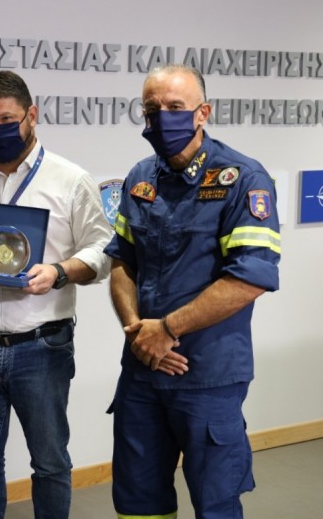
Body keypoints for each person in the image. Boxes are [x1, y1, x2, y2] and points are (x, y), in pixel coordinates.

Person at [0, 70, 113, 519]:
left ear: (32, 115)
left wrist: (60, 272)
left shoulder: (71, 179)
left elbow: (103, 251)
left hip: (42, 346)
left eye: (7, 120)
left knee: (49, 463)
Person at [105, 64, 281, 519]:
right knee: (138, 503)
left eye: (175, 107)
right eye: (152, 108)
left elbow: (250, 278)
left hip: (207, 375)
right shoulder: (140, 177)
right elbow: (122, 261)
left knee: (215, 503)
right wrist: (138, 331)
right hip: (143, 370)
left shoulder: (243, 178)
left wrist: (166, 330)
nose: (162, 117)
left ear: (203, 112)